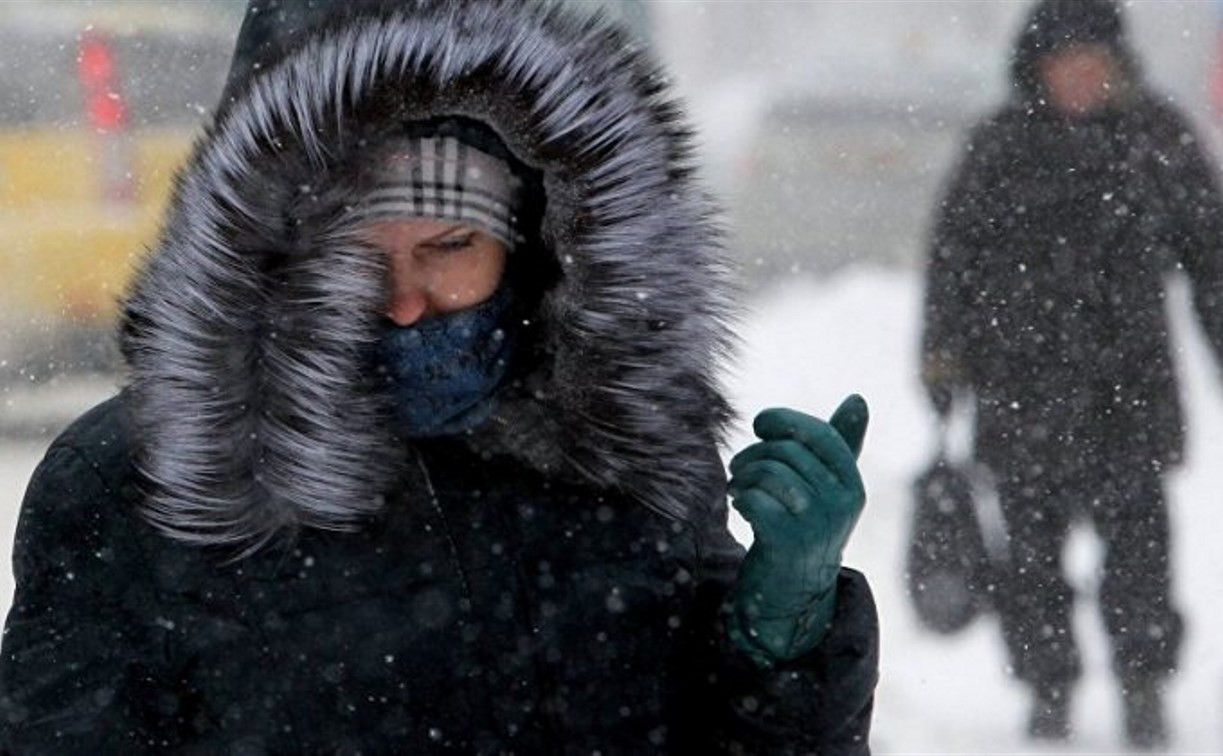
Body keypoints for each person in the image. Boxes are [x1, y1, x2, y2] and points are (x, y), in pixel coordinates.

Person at [0, 1, 879, 753]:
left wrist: (782, 631)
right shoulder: (139, 482)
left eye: (449, 247)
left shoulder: (624, 446)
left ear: (530, 239)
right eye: (354, 253)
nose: (404, 303)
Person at [921, 0, 1223, 748]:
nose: (1080, 73)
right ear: (1037, 66)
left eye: (1093, 58)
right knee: (1030, 564)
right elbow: (952, 259)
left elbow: (1212, 260)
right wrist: (941, 358)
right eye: (1065, 59)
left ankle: (1141, 686)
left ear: (1117, 63)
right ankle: (1047, 687)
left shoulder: (1155, 140)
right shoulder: (999, 147)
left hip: (1129, 397)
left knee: (1139, 560)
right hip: (1018, 393)